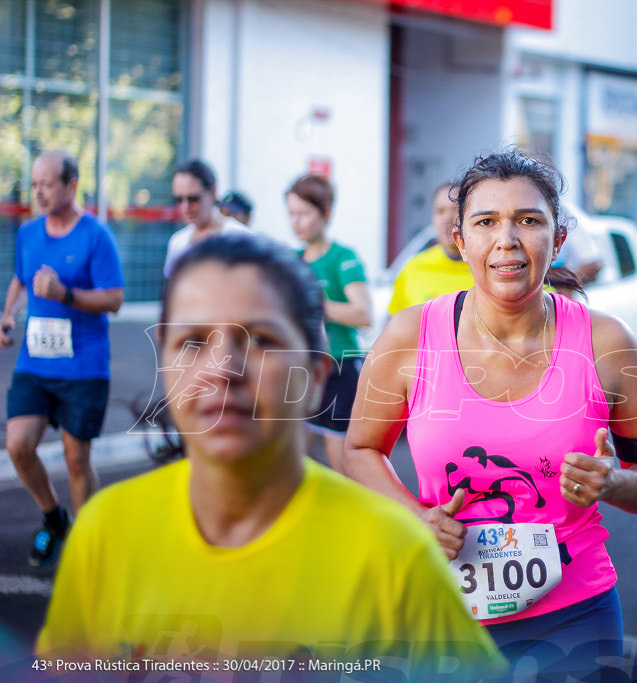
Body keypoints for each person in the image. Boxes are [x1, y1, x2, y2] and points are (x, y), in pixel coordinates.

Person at [36, 234, 504, 679]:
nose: (223, 369)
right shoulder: (107, 532)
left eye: (260, 340)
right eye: (193, 341)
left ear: (316, 375)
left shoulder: (395, 557)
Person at [343, 150, 637, 679]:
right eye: (485, 222)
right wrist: (417, 520)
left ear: (558, 238)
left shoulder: (608, 343)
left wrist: (613, 481)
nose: (507, 239)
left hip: (575, 615)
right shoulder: (409, 337)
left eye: (528, 220)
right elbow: (361, 449)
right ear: (460, 241)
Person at [0, 150, 125, 568]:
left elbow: (115, 299)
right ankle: (55, 518)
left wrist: (66, 295)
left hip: (84, 367)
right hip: (35, 363)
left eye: (48, 184)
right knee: (18, 445)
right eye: (35, 184)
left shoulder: (96, 235)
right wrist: (7, 315)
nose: (39, 192)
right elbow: (20, 280)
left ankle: (88, 548)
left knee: (76, 459)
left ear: (72, 185)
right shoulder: (29, 233)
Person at [286, 174, 372, 471]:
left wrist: (316, 304)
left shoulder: (343, 258)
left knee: (341, 468)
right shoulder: (291, 261)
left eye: (304, 213)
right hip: (301, 371)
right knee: (296, 468)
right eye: (291, 214)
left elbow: (363, 314)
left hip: (339, 369)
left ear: (325, 213)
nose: (296, 222)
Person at [388, 182, 474, 314]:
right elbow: (394, 322)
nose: (447, 217)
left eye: (455, 209)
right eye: (440, 211)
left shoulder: (488, 268)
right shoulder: (414, 267)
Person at [163, 159, 249, 277]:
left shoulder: (240, 237)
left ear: (213, 192)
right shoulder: (178, 243)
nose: (186, 207)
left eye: (193, 198)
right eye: (179, 200)